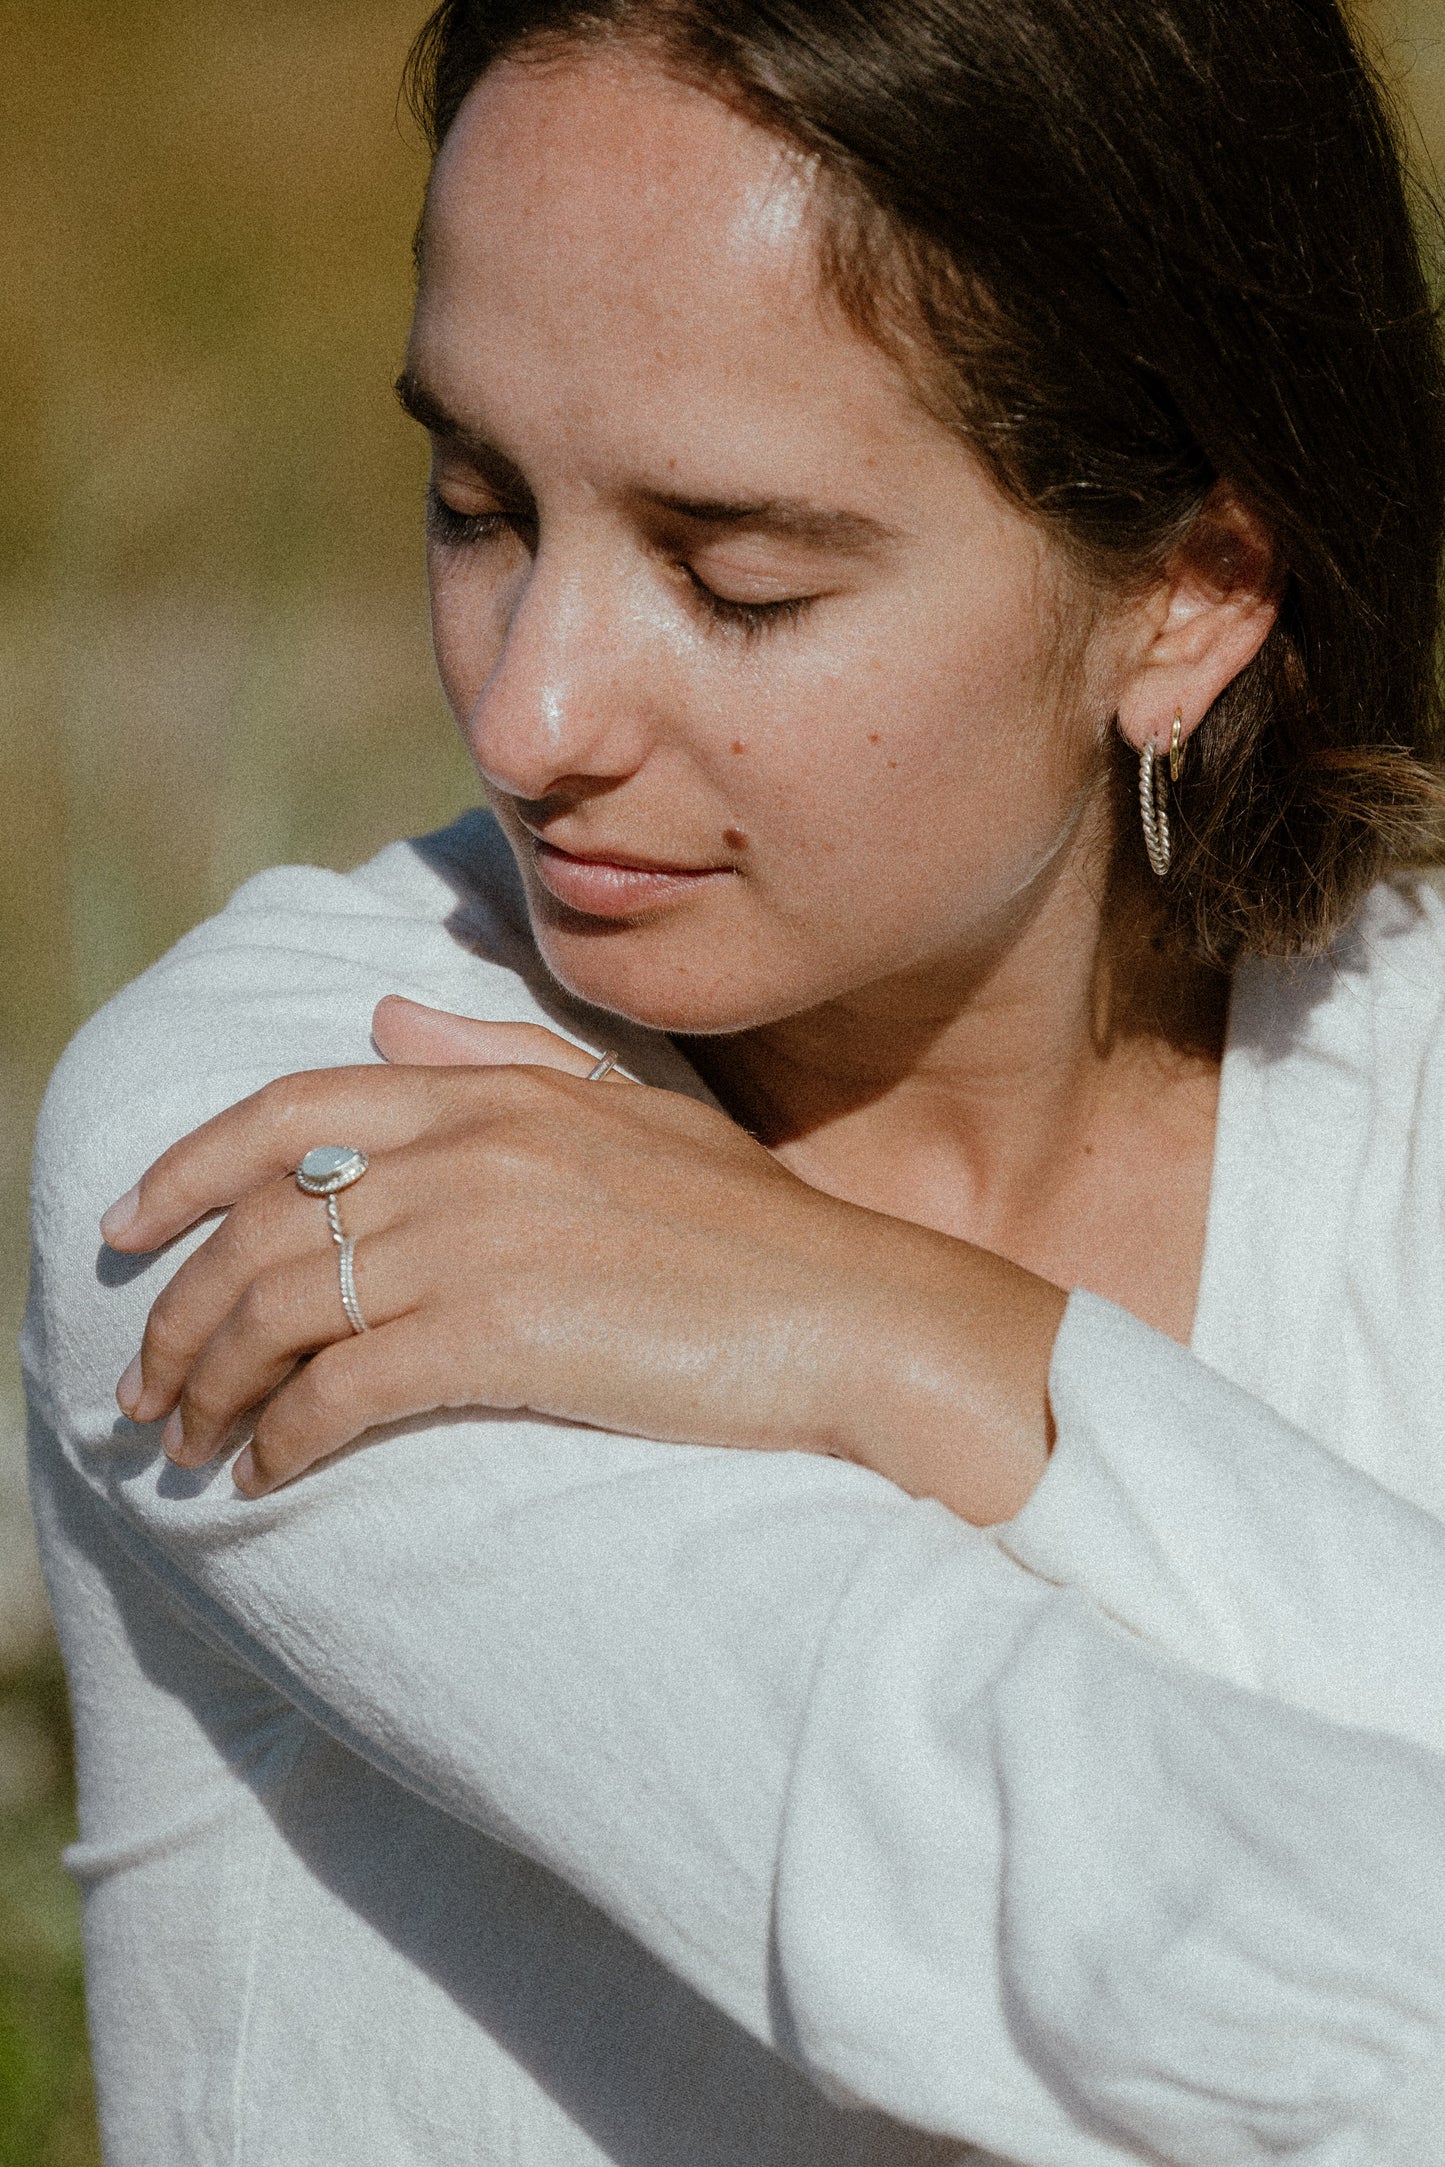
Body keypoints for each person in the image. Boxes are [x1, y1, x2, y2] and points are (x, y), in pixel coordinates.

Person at [23, 0, 1445, 2159]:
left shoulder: (1399, 1082)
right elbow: (1101, 1935)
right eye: (479, 501)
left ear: (1187, 593)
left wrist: (920, 1341)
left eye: (734, 574)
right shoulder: (304, 1148)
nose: (530, 716)